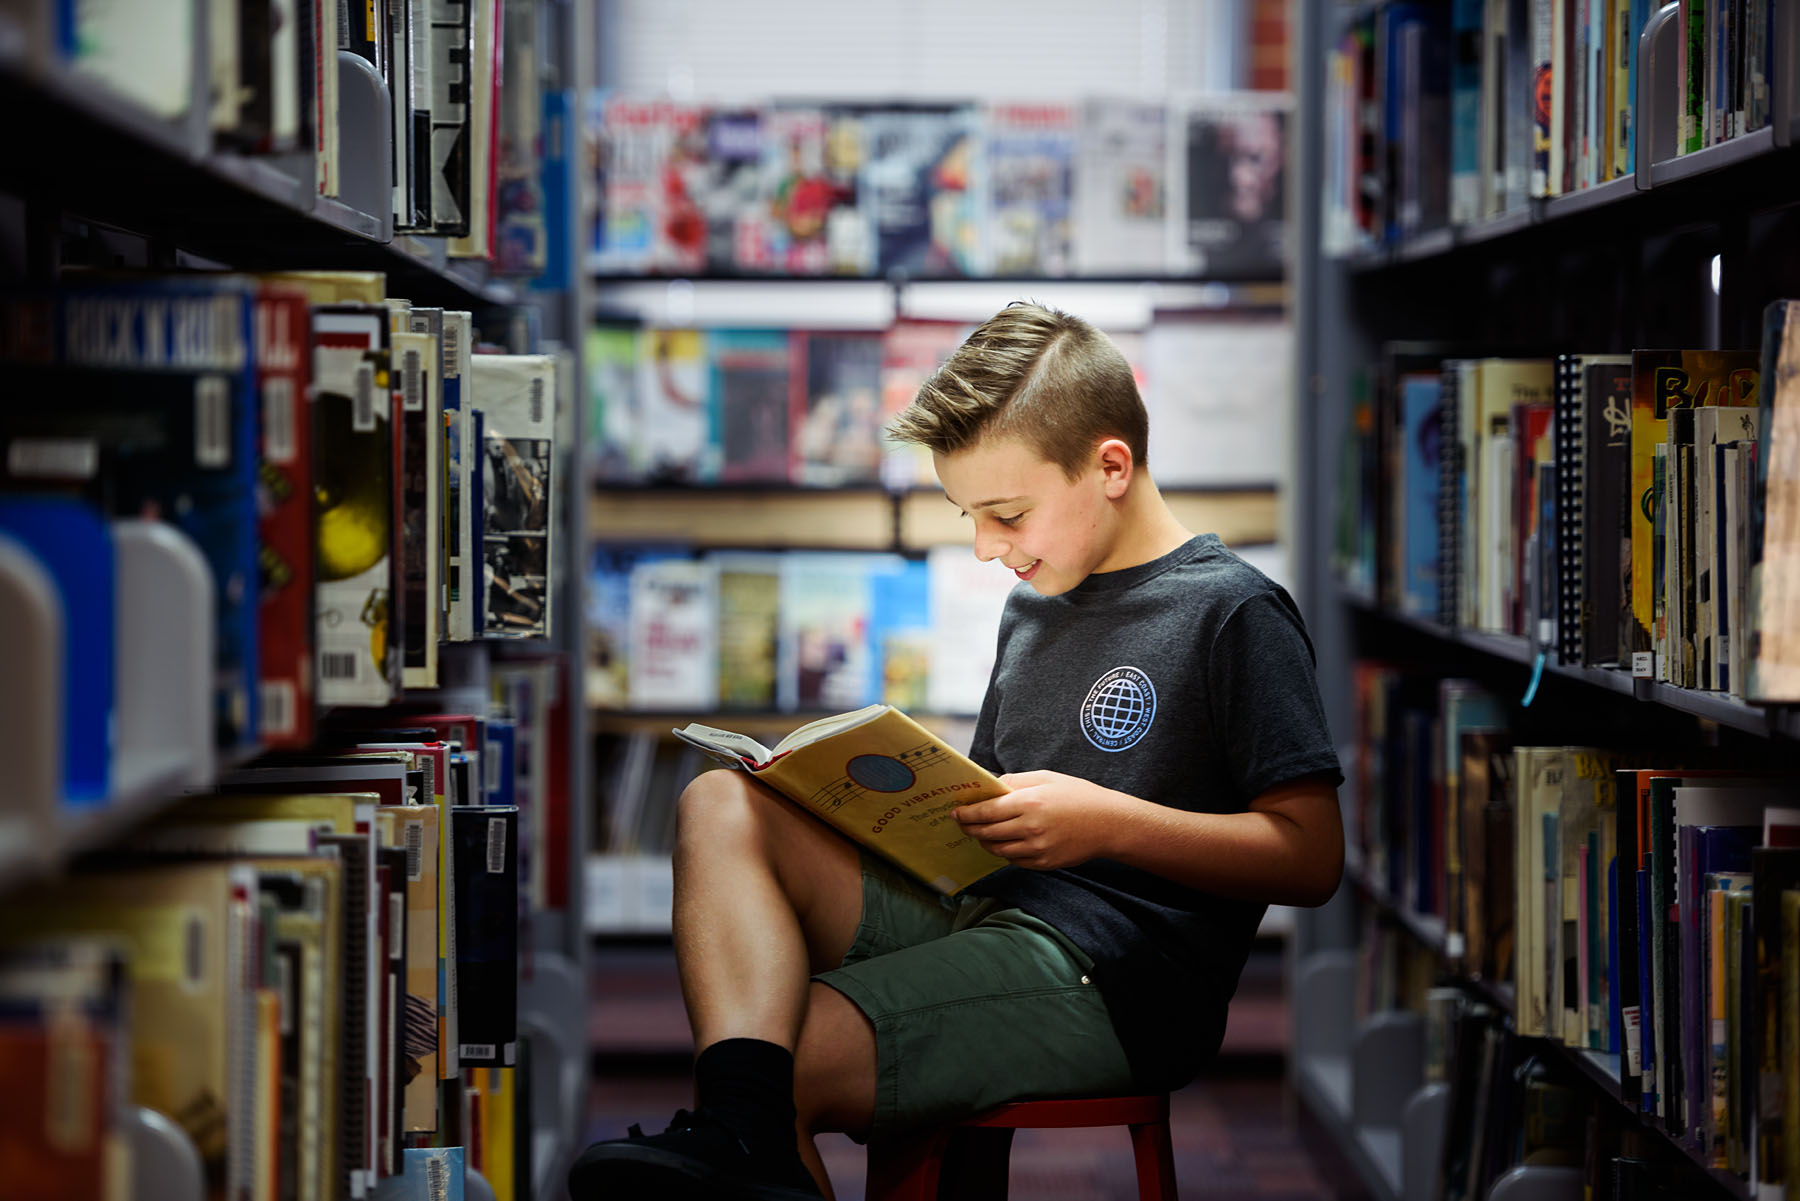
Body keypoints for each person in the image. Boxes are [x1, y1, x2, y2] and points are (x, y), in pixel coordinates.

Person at [568, 301, 1345, 1201]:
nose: (985, 547)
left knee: (789, 1052)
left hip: (1121, 978)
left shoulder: (1232, 612)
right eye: (968, 514)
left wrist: (1104, 825)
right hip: (990, 910)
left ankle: (748, 1139)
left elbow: (1312, 854)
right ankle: (746, 1141)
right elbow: (989, 817)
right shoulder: (1038, 600)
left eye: (1007, 513)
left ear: (1110, 466)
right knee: (719, 801)